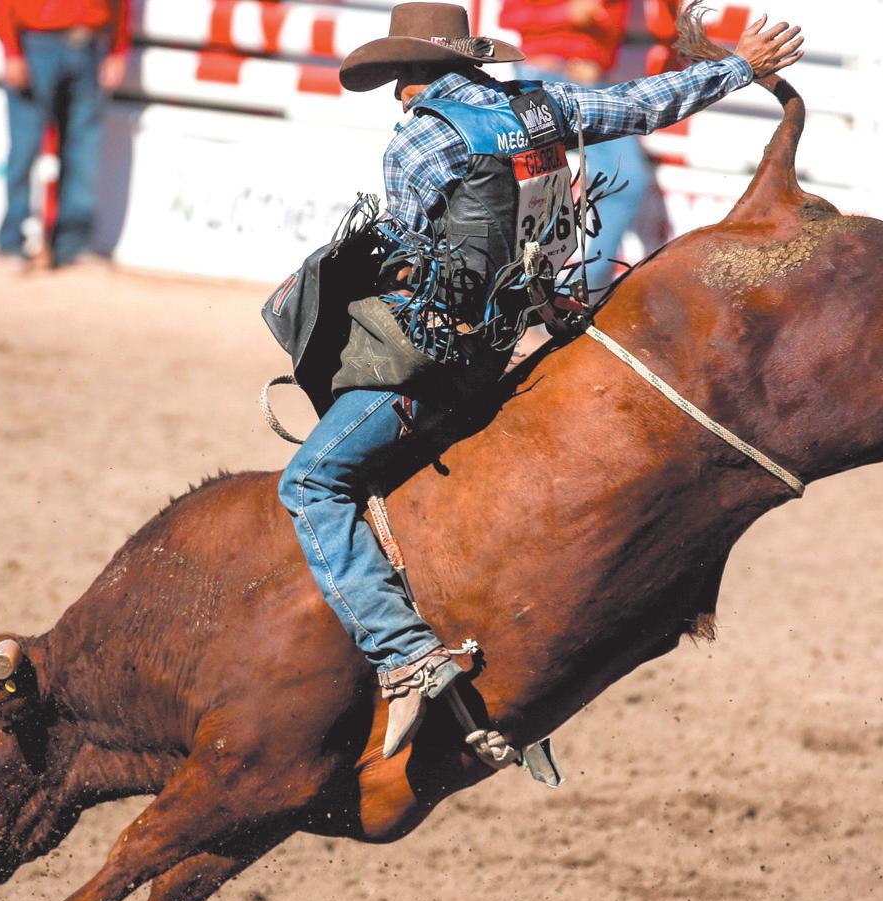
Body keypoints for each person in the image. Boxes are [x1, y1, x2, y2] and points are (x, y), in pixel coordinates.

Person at [274, 1, 803, 760]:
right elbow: (643, 104)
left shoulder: (422, 138)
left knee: (312, 483)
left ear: (417, 73)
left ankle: (403, 653)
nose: (396, 93)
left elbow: (410, 252)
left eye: (398, 77)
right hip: (511, 344)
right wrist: (741, 66)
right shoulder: (542, 105)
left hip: (440, 361)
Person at [497, 0, 648, 297]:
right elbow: (510, 15)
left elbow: (609, 24)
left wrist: (595, 62)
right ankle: (528, 288)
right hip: (543, 79)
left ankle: (577, 291)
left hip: (587, 84)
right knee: (533, 183)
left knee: (626, 178)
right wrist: (568, 15)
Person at [0, 0, 129, 269]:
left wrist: (118, 50)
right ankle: (12, 242)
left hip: (90, 45)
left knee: (84, 151)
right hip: (36, 42)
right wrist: (12, 52)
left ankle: (73, 245)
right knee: (25, 147)